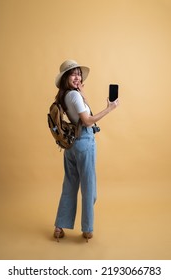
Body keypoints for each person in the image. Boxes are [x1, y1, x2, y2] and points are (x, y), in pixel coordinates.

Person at [53, 59, 119, 242]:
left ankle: (59, 227)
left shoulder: (67, 95)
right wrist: (110, 109)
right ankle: (87, 229)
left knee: (69, 186)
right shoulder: (74, 96)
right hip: (84, 142)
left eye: (79, 73)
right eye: (73, 74)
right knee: (89, 189)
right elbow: (88, 121)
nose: (77, 76)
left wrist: (83, 93)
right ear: (66, 77)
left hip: (71, 145)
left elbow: (83, 113)